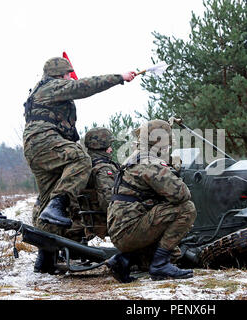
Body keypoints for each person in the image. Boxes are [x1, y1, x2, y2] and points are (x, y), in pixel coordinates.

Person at [24, 56, 136, 273]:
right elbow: (85, 86)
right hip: (44, 141)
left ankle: (45, 261)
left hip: (37, 147)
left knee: (47, 202)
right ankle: (59, 203)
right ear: (60, 74)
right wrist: (119, 78)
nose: (69, 78)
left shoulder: (42, 91)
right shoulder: (52, 86)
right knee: (80, 159)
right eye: (68, 74)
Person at [106, 119, 197, 282]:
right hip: (129, 231)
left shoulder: (135, 158)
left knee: (174, 254)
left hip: (120, 230)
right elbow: (182, 195)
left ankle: (123, 260)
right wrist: (172, 171)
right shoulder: (151, 163)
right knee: (187, 209)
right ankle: (160, 266)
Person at [78, 127, 120, 240]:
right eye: (109, 146)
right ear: (104, 147)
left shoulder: (84, 165)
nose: (111, 149)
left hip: (91, 223)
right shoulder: (103, 169)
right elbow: (109, 202)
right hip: (106, 226)